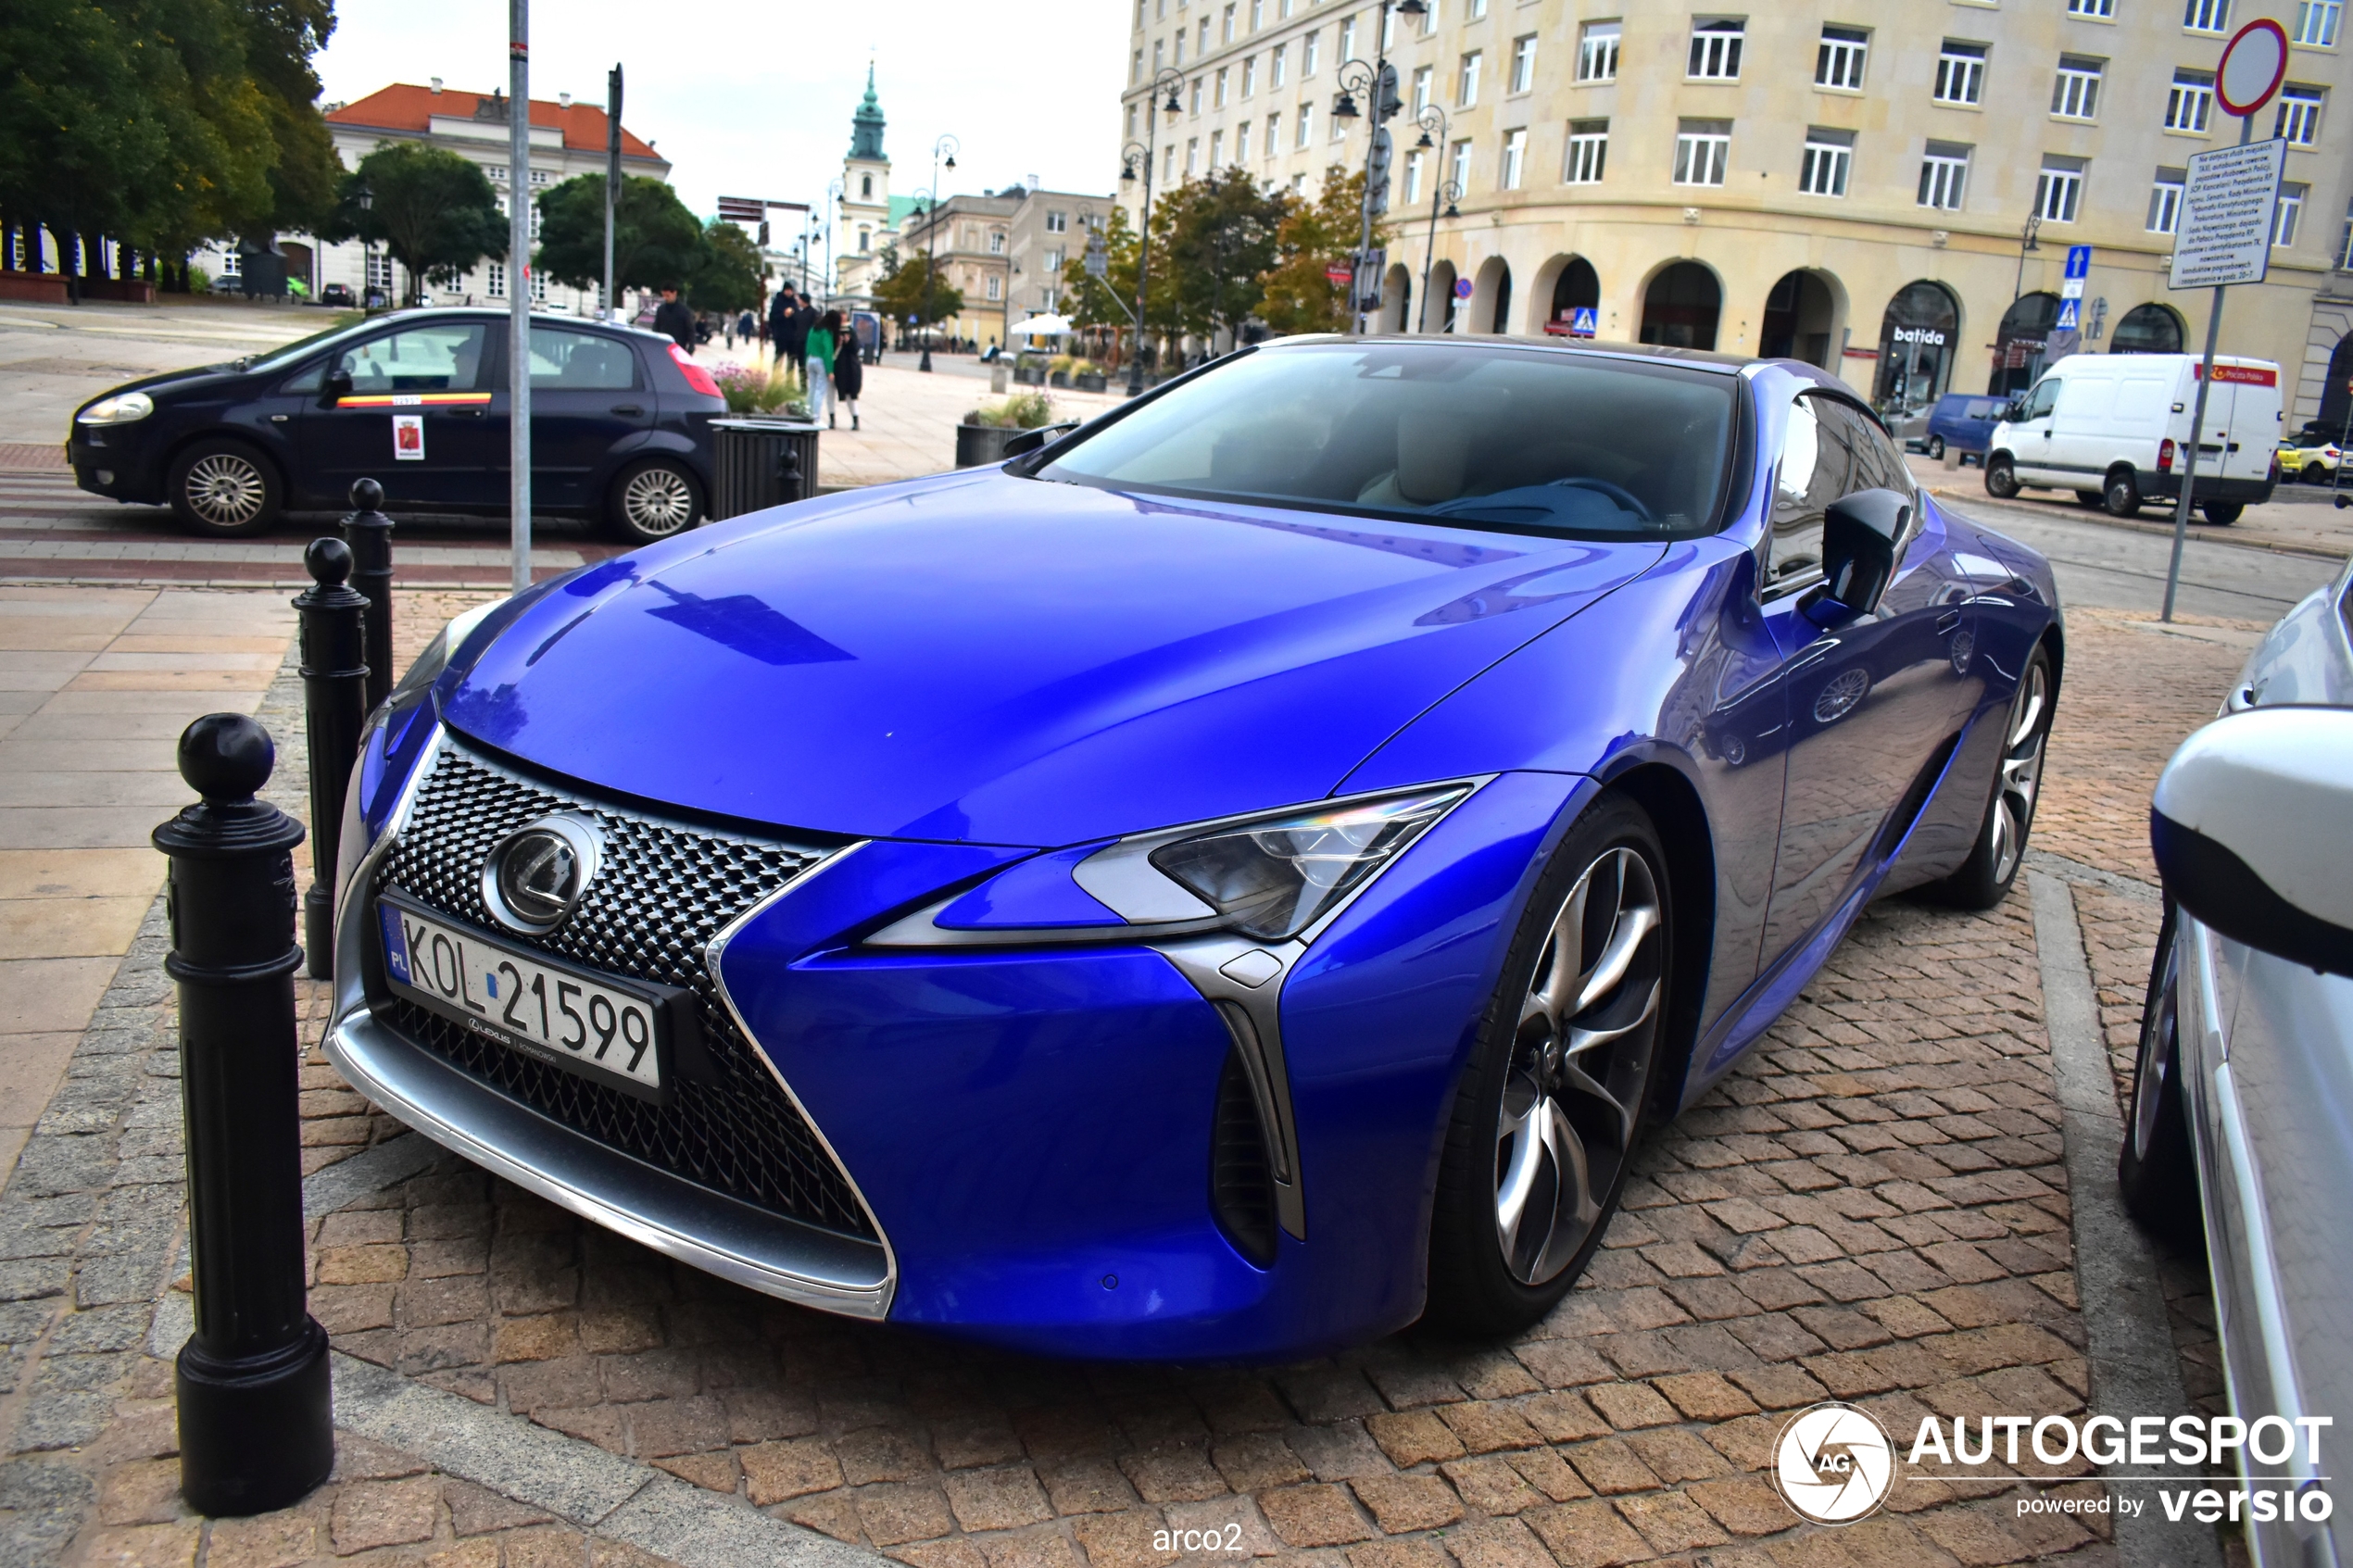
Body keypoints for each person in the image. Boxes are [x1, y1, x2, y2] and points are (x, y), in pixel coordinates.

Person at [806, 309, 837, 429]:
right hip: (820, 361)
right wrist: (830, 371)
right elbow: (827, 351)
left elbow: (808, 345)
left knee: (812, 389)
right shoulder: (826, 332)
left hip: (810, 359)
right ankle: (816, 417)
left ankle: (808, 413)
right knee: (820, 390)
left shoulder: (814, 328)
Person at [832, 313, 863, 431]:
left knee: (851, 394)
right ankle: (832, 419)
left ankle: (855, 419)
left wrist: (848, 341)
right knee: (831, 393)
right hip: (838, 365)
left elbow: (856, 348)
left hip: (850, 367)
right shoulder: (833, 331)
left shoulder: (851, 331)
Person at [652, 286, 696, 353]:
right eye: (663, 296)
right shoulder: (661, 309)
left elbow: (690, 330)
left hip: (678, 346)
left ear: (674, 293)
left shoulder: (684, 311)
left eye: (668, 295)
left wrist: (691, 346)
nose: (665, 298)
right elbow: (656, 327)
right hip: (662, 345)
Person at [766, 285, 799, 370]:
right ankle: (776, 377)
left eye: (790, 290)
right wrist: (783, 315)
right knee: (779, 357)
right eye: (787, 290)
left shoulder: (794, 302)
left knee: (791, 359)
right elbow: (773, 317)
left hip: (792, 336)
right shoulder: (778, 301)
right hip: (780, 334)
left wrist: (793, 315)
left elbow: (798, 317)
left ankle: (789, 378)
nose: (789, 292)